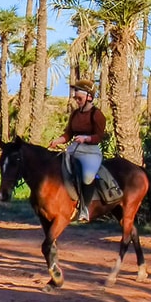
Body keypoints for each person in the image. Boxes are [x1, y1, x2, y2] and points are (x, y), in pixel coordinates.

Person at [49, 79, 107, 221]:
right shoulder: (75, 114)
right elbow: (68, 134)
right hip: (74, 148)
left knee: (87, 176)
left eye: (79, 98)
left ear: (89, 97)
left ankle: (85, 209)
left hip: (91, 151)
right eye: (75, 98)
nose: (77, 100)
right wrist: (58, 140)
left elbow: (99, 136)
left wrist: (86, 139)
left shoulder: (97, 115)